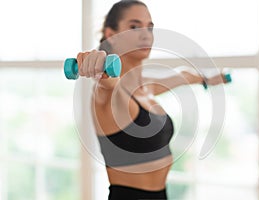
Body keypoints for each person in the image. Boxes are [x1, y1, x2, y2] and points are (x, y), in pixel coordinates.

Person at [76, 1, 228, 199]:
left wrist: (209, 79)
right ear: (111, 35)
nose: (145, 34)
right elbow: (108, 83)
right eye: (134, 27)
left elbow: (183, 75)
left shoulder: (146, 87)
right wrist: (97, 63)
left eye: (150, 27)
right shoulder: (109, 93)